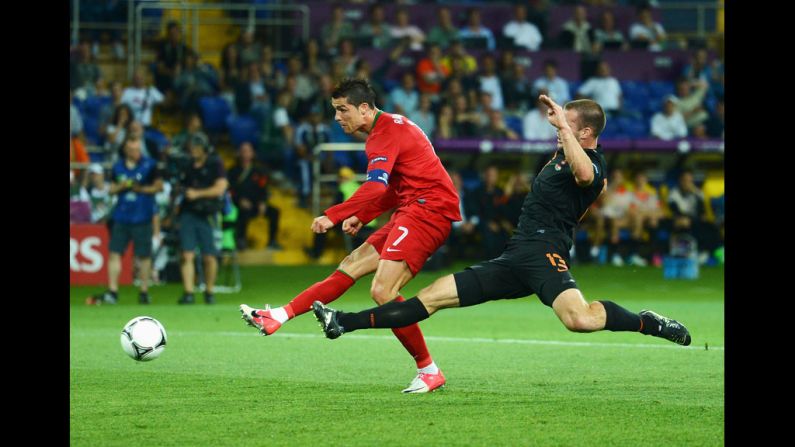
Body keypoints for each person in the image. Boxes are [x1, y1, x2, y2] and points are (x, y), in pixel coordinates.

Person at [312, 96, 692, 358]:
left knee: (580, 320)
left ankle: (647, 322)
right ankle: (342, 322)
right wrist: (564, 132)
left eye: (567, 124)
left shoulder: (592, 164)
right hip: (514, 257)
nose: (557, 127)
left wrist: (565, 130)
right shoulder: (560, 156)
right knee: (430, 298)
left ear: (587, 133)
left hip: (546, 255)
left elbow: (585, 174)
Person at [240, 78, 462, 394]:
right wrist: (362, 215)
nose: (337, 117)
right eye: (335, 110)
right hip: (413, 208)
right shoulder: (393, 127)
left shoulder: (384, 134)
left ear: (364, 108)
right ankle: (277, 316)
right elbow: (393, 189)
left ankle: (428, 370)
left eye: (342, 110)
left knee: (383, 291)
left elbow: (375, 186)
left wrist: (334, 214)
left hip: (427, 211)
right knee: (352, 263)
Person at [86, 136, 163, 305]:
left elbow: (159, 186)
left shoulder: (150, 165)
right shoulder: (118, 166)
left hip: (142, 216)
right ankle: (113, 291)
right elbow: (111, 189)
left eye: (137, 149)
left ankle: (143, 290)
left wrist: (140, 188)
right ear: (126, 150)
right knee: (114, 253)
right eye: (132, 149)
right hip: (122, 216)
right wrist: (122, 186)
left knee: (144, 256)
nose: (136, 152)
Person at [175, 132, 228, 305]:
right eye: (192, 147)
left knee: (209, 256)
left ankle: (209, 291)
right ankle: (188, 292)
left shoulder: (215, 164)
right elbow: (179, 186)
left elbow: (220, 188)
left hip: (208, 214)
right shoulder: (187, 164)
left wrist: (197, 194)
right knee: (187, 254)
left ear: (205, 149)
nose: (194, 150)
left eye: (197, 147)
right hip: (188, 213)